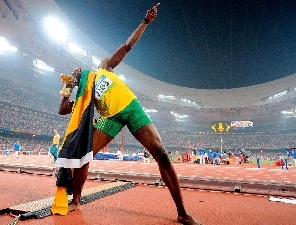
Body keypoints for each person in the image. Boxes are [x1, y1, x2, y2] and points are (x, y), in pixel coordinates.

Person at [54, 3, 201, 225]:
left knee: (161, 153)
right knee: (83, 155)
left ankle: (182, 212)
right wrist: (67, 91)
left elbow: (127, 46)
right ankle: (76, 200)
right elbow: (63, 110)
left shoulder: (104, 67)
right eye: (75, 74)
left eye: (78, 70)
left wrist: (145, 22)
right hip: (109, 118)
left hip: (131, 108)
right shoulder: (84, 92)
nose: (77, 71)